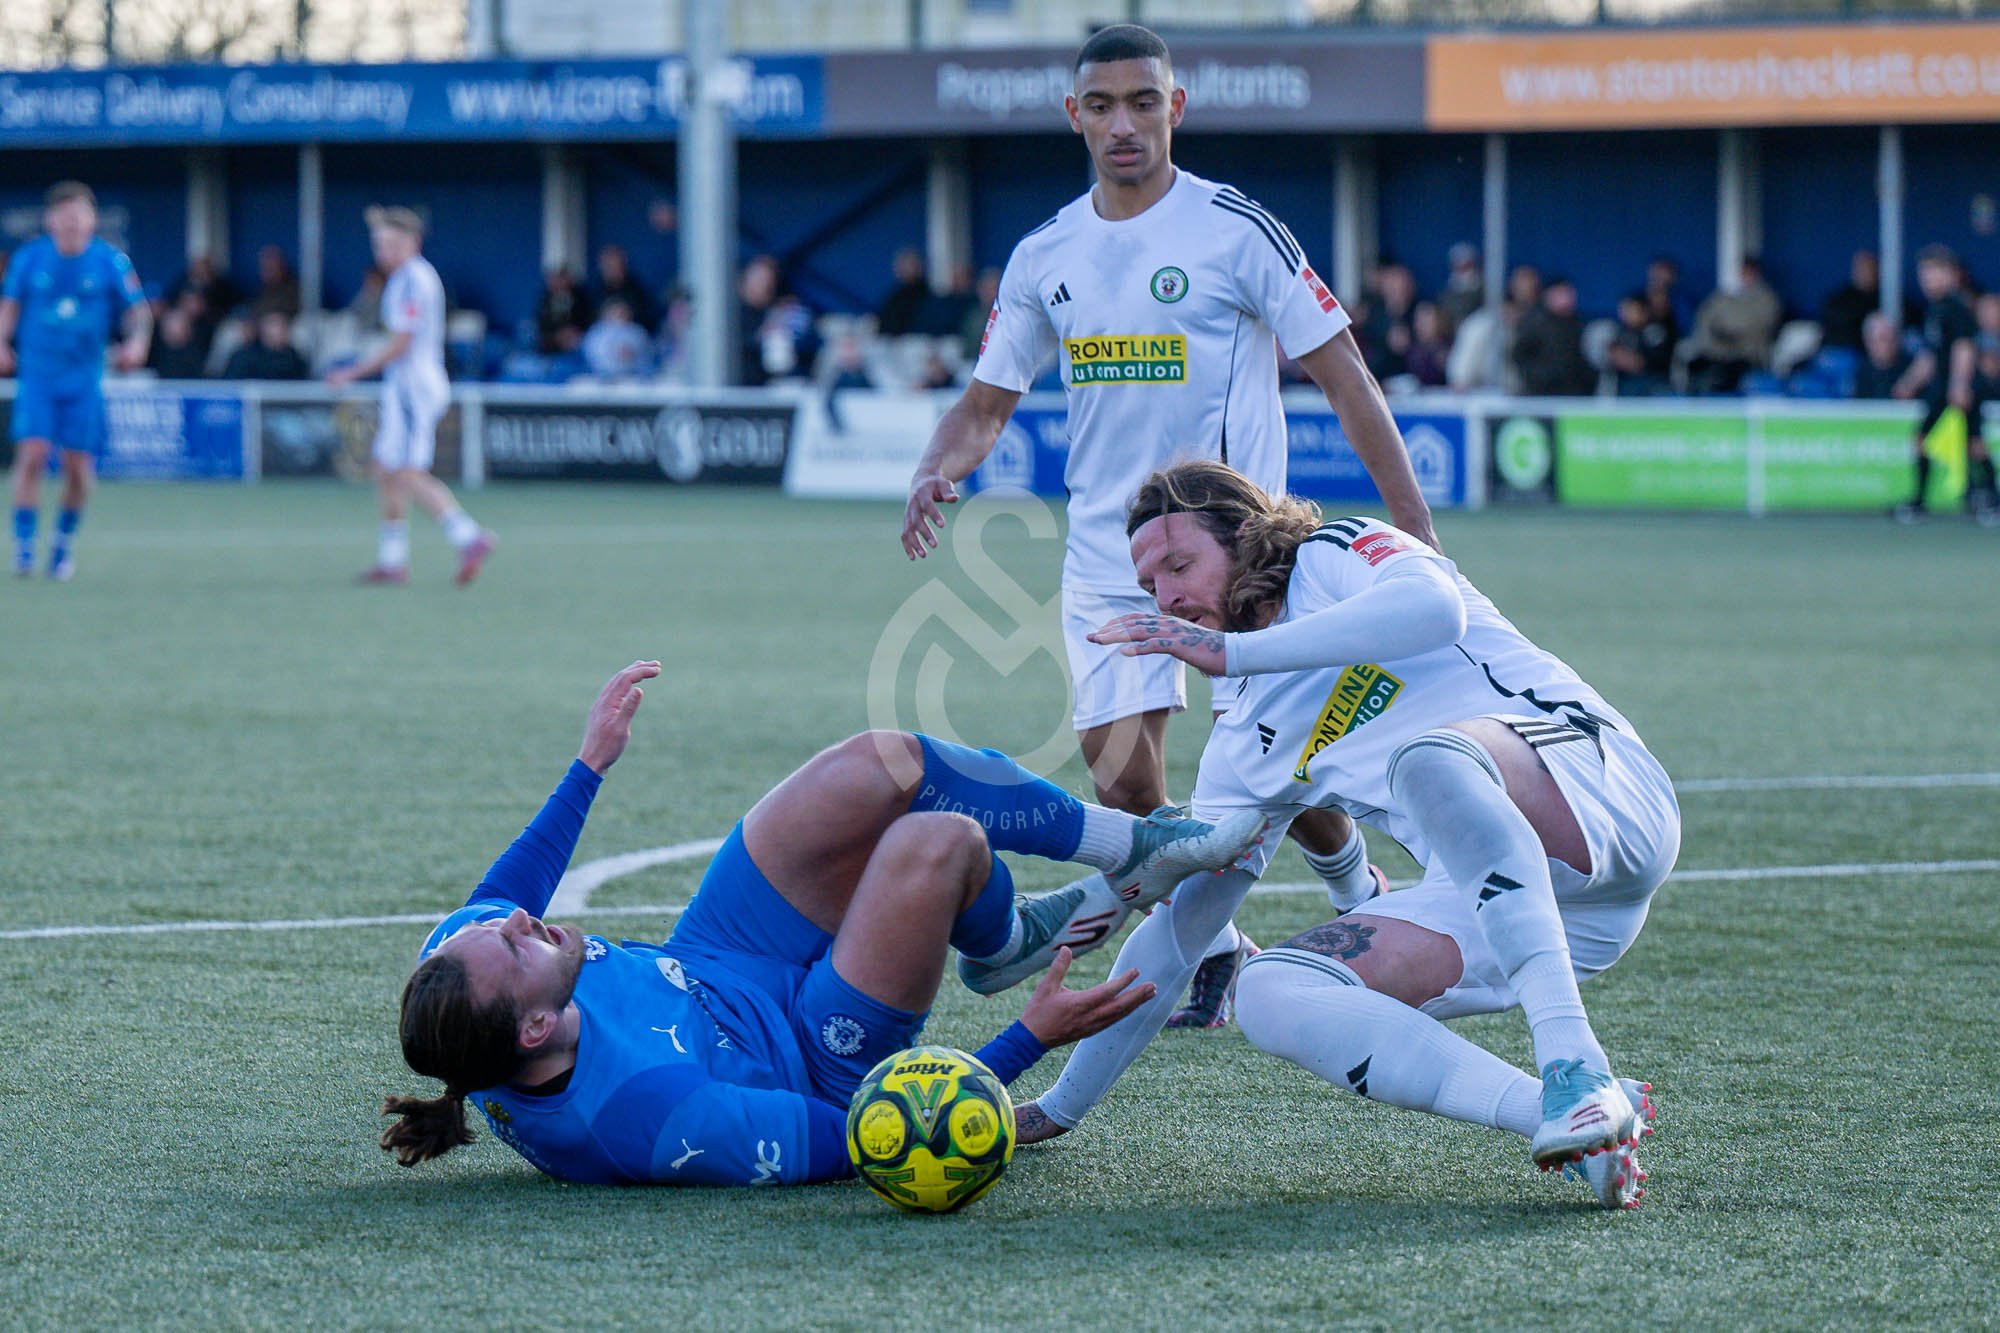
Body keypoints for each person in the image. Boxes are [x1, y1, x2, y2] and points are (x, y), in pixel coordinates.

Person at [899, 25, 1436, 1030]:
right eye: (1100, 105)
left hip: (1244, 560)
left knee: (1285, 760)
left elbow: (1342, 373)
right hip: (1109, 562)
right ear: (1074, 117)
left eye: (1141, 102)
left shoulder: (1234, 229)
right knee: (1124, 783)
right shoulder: (1044, 255)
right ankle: (1224, 950)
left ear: (1173, 109)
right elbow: (984, 404)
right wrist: (939, 465)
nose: (1122, 123)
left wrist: (1415, 531)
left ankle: (1356, 893)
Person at [1012, 461, 1681, 1211]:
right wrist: (1058, 1107)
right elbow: (1177, 933)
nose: (1167, 599)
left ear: (1243, 534)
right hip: (1534, 908)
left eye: (1179, 564)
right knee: (1267, 990)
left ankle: (1575, 1064)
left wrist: (1231, 654)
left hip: (1604, 796)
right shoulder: (1244, 745)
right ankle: (1573, 1120)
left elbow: (1435, 611)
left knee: (1428, 758)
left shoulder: (1333, 552)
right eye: (1149, 589)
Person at [381, 660, 1266, 1185]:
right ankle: (1002, 942)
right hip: (815, 1054)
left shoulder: (459, 970)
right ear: (536, 1026)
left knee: (878, 763)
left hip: (717, 953)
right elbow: (866, 1140)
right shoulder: (642, 1117)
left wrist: (589, 766)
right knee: (936, 842)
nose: (520, 921)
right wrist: (1025, 1038)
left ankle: (1103, 867)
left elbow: (501, 891)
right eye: (513, 944)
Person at [325, 206, 494, 586]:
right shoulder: (403, 278)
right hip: (403, 386)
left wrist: (351, 372)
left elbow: (402, 344)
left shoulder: (414, 279)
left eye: (391, 243)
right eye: (379, 244)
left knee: (407, 471)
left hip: (413, 388)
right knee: (387, 468)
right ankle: (392, 561)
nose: (383, 251)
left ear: (412, 242)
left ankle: (468, 536)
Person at [1, 181, 150, 581]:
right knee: (31, 456)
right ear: (50, 220)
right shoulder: (30, 259)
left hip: (84, 381)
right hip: (39, 378)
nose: (71, 222)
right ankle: (24, 547)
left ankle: (62, 546)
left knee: (78, 469)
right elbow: (9, 307)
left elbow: (139, 313)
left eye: (79, 214)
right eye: (64, 215)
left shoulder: (110, 262)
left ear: (92, 220)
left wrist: (137, 342)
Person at [1891, 244, 1994, 521]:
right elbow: (1931, 354)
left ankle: (1991, 499)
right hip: (1941, 386)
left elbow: (1964, 347)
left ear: (1951, 275)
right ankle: (1920, 501)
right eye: (1924, 273)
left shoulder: (1957, 307)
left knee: (1974, 443)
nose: (1928, 279)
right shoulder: (1935, 310)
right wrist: (1909, 382)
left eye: (1934, 273)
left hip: (1962, 386)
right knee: (1923, 439)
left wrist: (1959, 385)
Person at [1684, 256, 1781, 395]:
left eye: (1750, 272)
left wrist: (1733, 333)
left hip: (1747, 354)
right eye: (1744, 272)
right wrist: (1718, 335)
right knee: (1695, 366)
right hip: (1716, 351)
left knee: (1728, 374)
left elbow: (1762, 326)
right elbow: (1705, 318)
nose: (1746, 276)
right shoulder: (1724, 296)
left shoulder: (1767, 299)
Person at [1512, 276, 1594, 396]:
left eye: (1569, 293)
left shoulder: (1577, 323)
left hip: (1573, 393)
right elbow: (1520, 356)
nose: (1568, 298)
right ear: (1549, 295)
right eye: (1562, 293)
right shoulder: (1534, 322)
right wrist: (1542, 377)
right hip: (1541, 394)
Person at [1606, 291, 1674, 397]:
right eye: (1623, 310)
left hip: (1654, 384)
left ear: (1644, 311)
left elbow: (1652, 362)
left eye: (1630, 309)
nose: (1625, 314)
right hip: (1626, 384)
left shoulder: (1655, 330)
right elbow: (1614, 358)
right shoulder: (1622, 332)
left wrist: (1633, 361)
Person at [221, 310, 310, 380]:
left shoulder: (296, 359)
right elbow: (230, 389)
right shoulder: (244, 357)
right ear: (262, 328)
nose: (281, 329)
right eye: (274, 324)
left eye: (284, 324)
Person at [580, 297, 653, 380]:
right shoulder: (596, 333)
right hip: (603, 375)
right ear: (606, 313)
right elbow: (593, 357)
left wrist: (632, 354)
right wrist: (614, 354)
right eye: (617, 312)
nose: (621, 315)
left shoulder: (637, 331)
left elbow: (646, 355)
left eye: (623, 311)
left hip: (634, 375)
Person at [1851, 311, 1913, 400]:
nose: (1888, 344)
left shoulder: (1911, 370)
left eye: (1892, 337)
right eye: (1882, 338)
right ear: (1868, 341)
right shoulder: (1858, 372)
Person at [535, 266, 593, 355]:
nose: (557, 282)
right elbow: (541, 323)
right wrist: (556, 335)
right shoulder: (545, 298)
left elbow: (587, 319)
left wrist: (574, 331)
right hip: (552, 339)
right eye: (553, 278)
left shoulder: (580, 297)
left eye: (560, 278)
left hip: (578, 337)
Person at [876, 247, 932, 338]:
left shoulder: (927, 294)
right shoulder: (896, 294)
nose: (903, 269)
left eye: (910, 265)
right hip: (891, 341)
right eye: (900, 265)